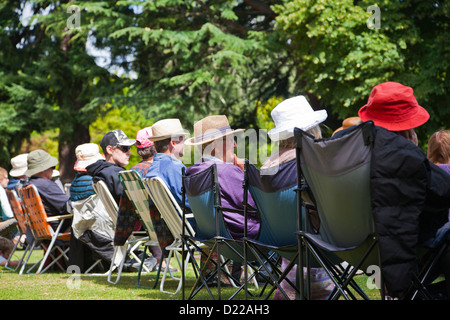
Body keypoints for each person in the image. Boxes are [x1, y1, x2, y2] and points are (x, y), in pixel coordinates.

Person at [355, 81, 450, 299]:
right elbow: (443, 191)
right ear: (406, 127)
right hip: (399, 248)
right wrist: (413, 150)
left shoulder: (347, 153)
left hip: (349, 247)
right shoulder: (406, 156)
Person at [262, 95, 334, 300]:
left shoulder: (268, 168)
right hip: (318, 247)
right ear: (311, 130)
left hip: (283, 249)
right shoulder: (307, 164)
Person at [144, 119, 190, 211]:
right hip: (185, 223)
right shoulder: (175, 168)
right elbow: (191, 203)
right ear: (173, 143)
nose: (184, 143)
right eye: (182, 139)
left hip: (165, 224)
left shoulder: (152, 169)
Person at [24, 149, 72, 232]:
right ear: (43, 169)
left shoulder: (27, 186)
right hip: (59, 229)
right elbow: (68, 207)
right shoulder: (46, 185)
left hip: (41, 230)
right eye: (52, 167)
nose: (53, 170)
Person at [86, 129, 136, 204]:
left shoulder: (101, 171)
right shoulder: (116, 174)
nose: (129, 152)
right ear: (110, 150)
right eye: (125, 148)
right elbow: (134, 201)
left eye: (129, 148)